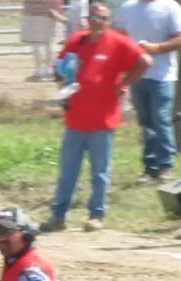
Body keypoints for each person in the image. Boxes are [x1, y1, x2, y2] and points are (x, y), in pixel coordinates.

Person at [40, 0, 150, 233]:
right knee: (67, 172)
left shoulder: (119, 42)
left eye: (103, 18)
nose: (98, 22)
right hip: (75, 120)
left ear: (109, 21)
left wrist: (124, 82)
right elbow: (58, 68)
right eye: (94, 17)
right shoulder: (76, 41)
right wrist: (63, 80)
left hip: (103, 121)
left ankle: (96, 215)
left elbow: (144, 61)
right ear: (87, 19)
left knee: (100, 172)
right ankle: (58, 216)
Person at [118, 0, 181, 183]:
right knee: (145, 122)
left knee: (160, 119)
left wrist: (157, 48)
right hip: (137, 74)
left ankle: (165, 166)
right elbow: (121, 37)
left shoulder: (170, 7)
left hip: (163, 75)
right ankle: (150, 167)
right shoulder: (127, 7)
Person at [22, 0, 63, 80]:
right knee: (50, 42)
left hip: (32, 13)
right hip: (51, 12)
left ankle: (39, 69)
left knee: (36, 43)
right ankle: (48, 69)